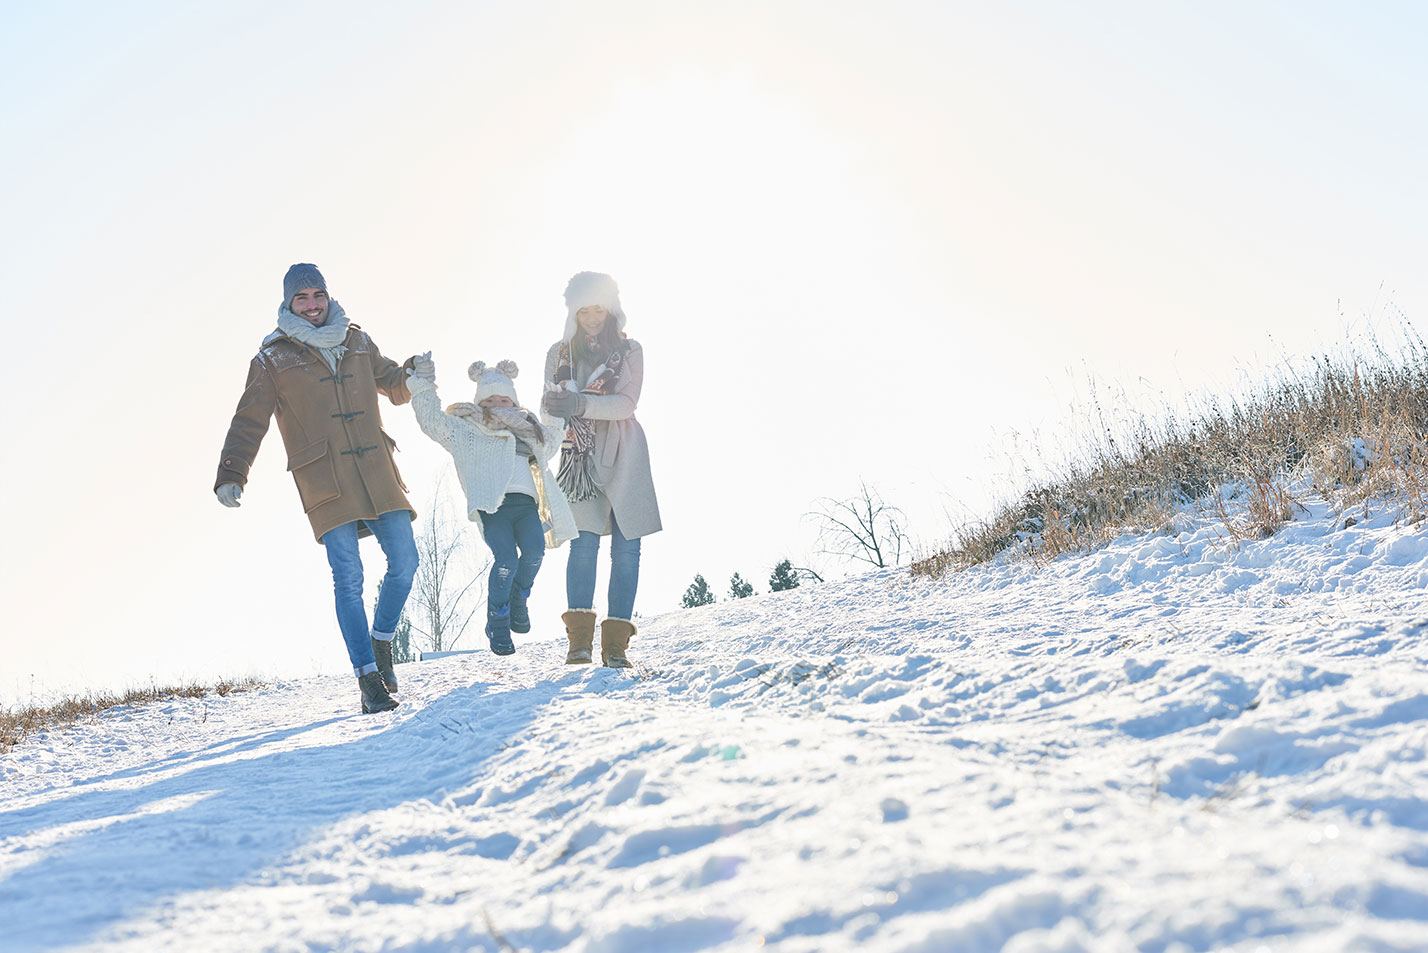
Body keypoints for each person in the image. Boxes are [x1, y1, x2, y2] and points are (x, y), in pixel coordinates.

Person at [214, 263, 427, 714]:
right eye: (301, 299)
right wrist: (233, 473)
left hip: (376, 468)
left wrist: (413, 374)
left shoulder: (357, 340)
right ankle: (369, 680)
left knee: (406, 561)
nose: (311, 305)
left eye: (317, 296)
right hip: (324, 477)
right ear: (288, 304)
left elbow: (390, 382)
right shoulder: (272, 358)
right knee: (348, 578)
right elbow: (249, 419)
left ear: (328, 297)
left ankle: (381, 640)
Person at [406, 358, 577, 655]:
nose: (498, 403)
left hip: (527, 506)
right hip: (494, 508)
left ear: (513, 400)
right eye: (490, 399)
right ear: (480, 401)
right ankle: (497, 623)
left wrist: (557, 401)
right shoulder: (467, 429)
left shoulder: (528, 428)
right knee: (506, 560)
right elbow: (433, 423)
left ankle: (519, 598)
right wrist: (423, 385)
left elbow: (554, 434)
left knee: (535, 553)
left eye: (504, 398)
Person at [541, 271, 661, 667]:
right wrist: (553, 412)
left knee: (628, 549)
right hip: (580, 458)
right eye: (584, 310)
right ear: (574, 312)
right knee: (584, 544)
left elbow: (627, 403)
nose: (592, 317)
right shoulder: (559, 354)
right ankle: (579, 644)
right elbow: (550, 407)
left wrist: (580, 405)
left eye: (599, 309)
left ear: (612, 310)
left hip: (625, 451)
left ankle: (615, 647)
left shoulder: (629, 351)